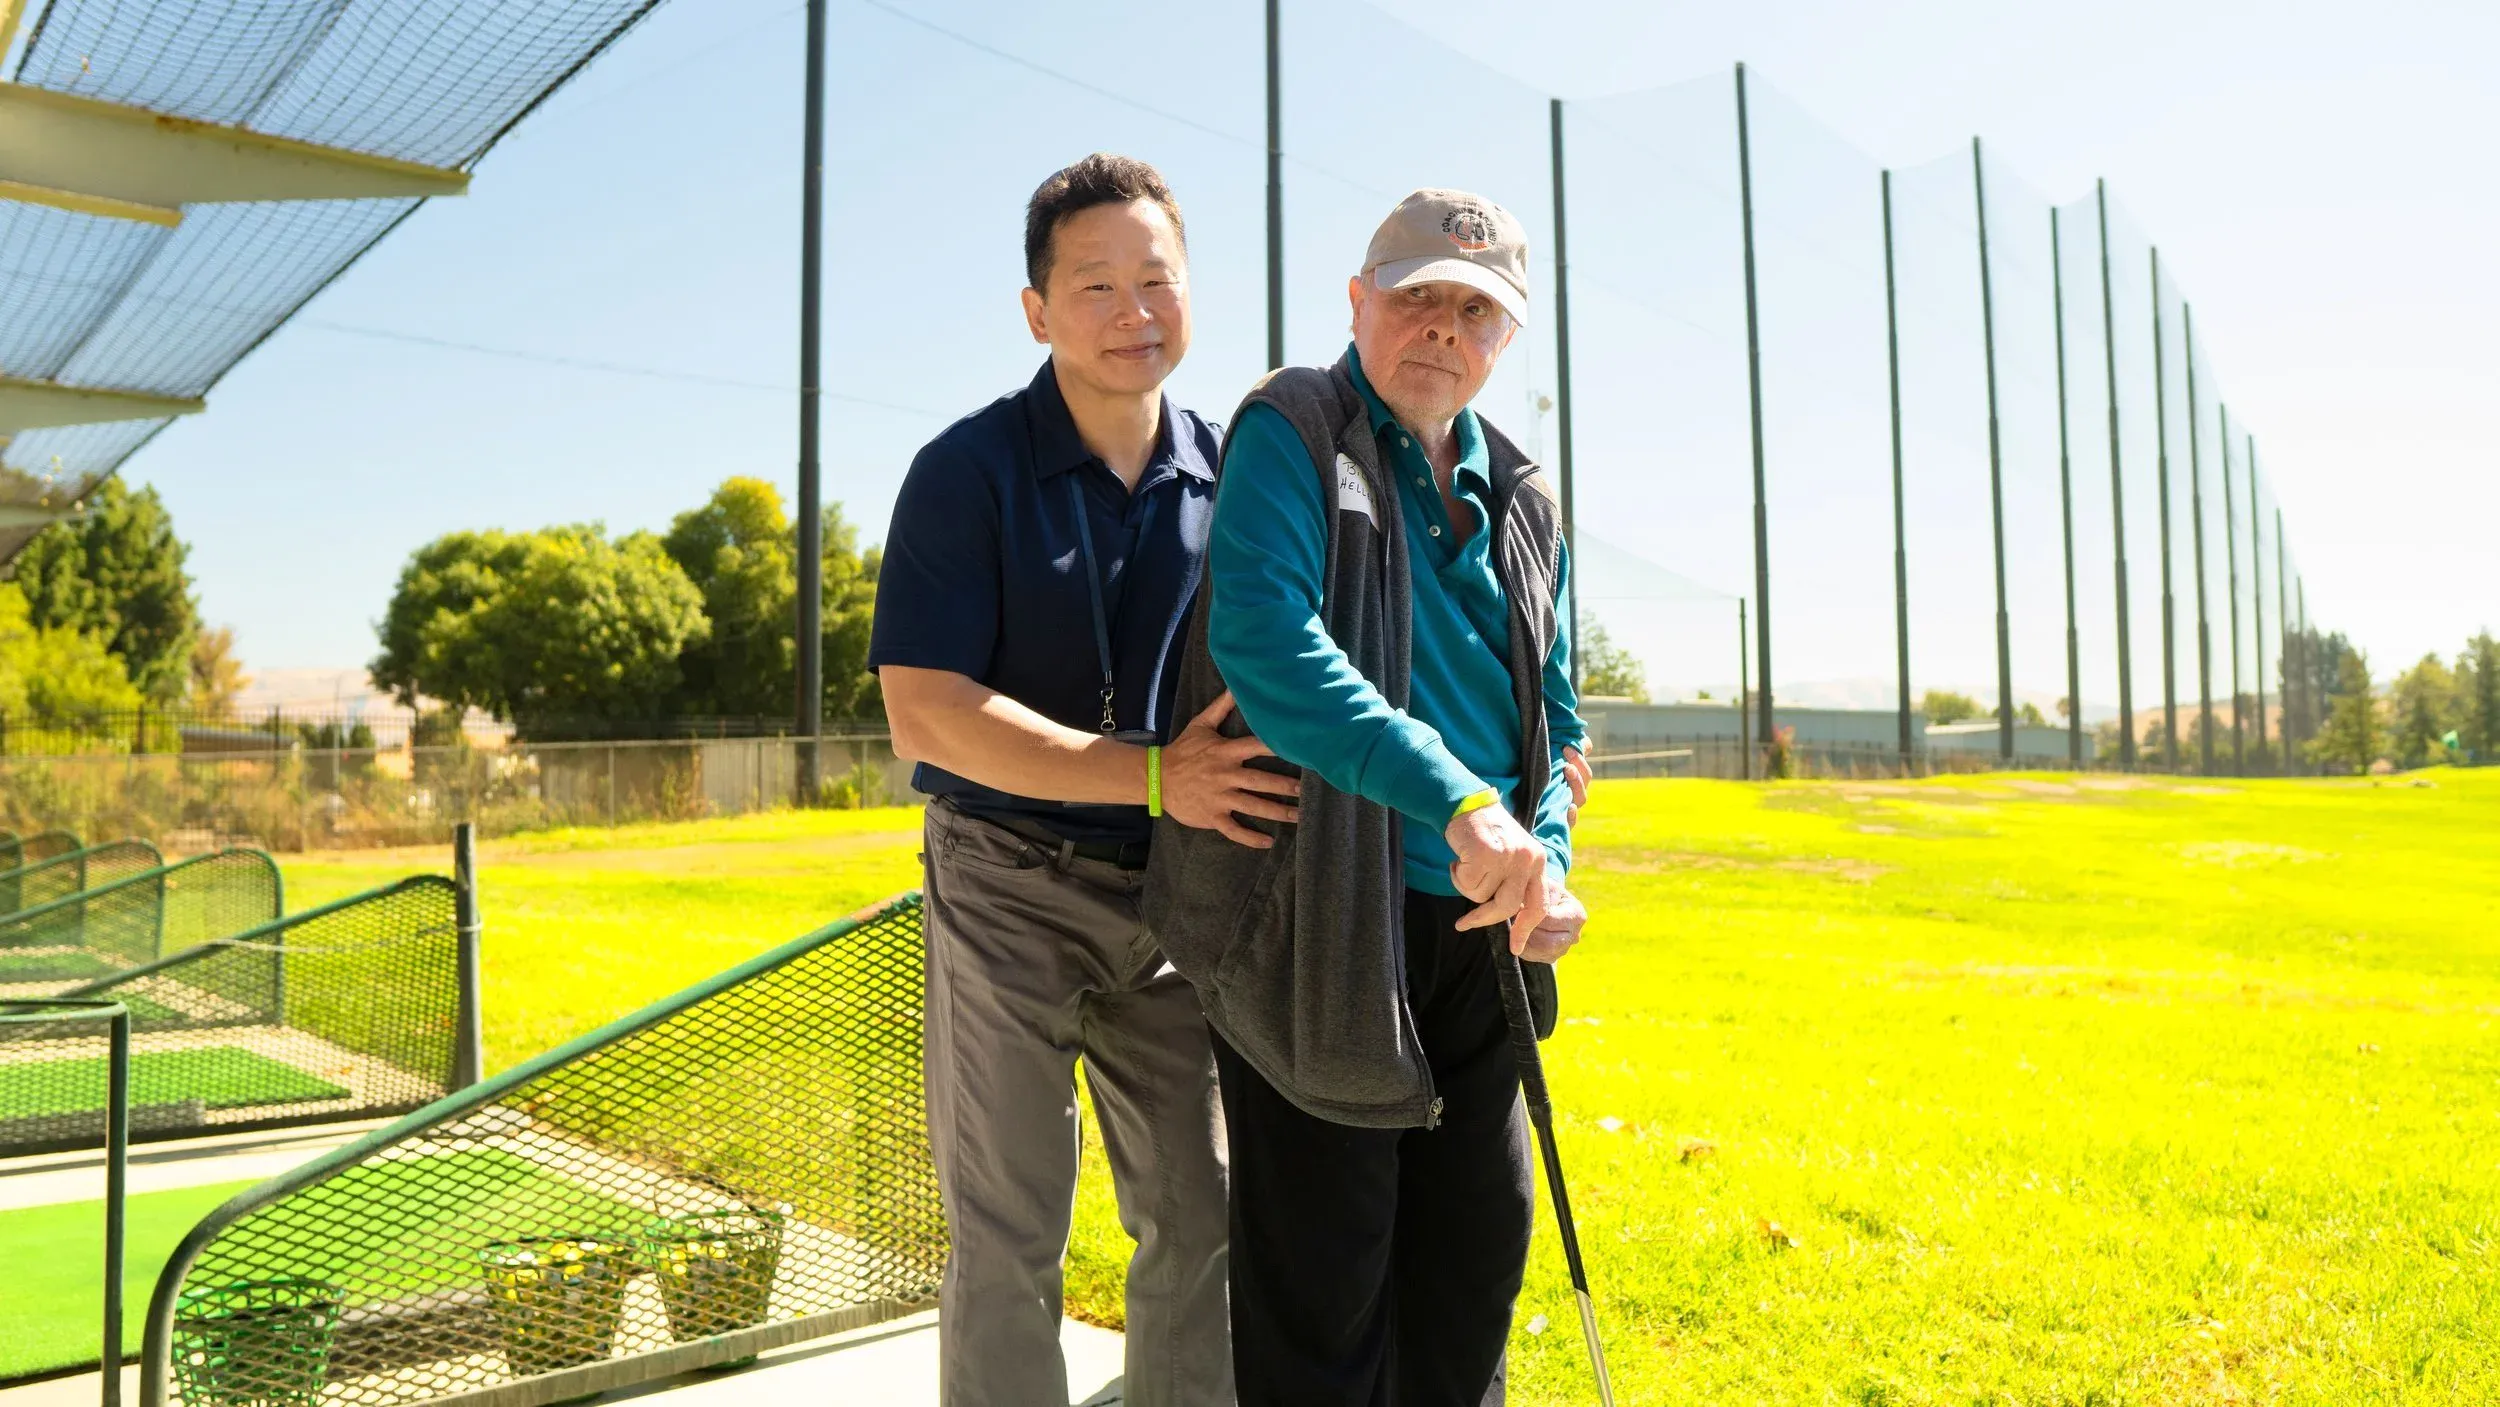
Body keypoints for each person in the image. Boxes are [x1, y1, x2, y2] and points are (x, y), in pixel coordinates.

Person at [1143, 188, 1591, 1407]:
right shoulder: (1294, 424)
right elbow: (1270, 646)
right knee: (1324, 1297)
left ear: (1505, 340)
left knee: (1472, 1274)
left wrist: (1543, 852)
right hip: (1321, 919)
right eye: (1416, 300)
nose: (1442, 331)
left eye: (1475, 312)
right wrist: (1456, 801)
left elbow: (1554, 715)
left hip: (1480, 929)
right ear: (1358, 300)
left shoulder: (1529, 494)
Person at [871, 153, 1295, 1407]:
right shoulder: (965, 471)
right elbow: (929, 712)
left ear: (1190, 293)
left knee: (1203, 1208)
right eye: (1095, 285)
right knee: (1007, 1232)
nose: (1132, 313)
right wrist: (1154, 776)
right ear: (1036, 310)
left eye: (1156, 281)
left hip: (1182, 894)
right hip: (1006, 882)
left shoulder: (1240, 473)